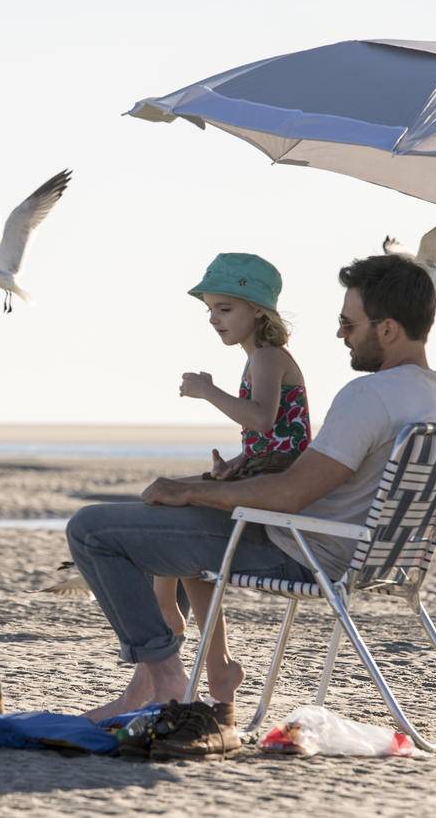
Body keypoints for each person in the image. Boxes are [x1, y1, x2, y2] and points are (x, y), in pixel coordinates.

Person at [66, 252, 436, 759]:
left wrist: (193, 489)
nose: (340, 334)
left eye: (347, 322)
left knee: (92, 529)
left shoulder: (371, 395)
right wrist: (219, 482)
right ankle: (208, 675)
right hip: (361, 553)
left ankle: (164, 681)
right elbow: (304, 476)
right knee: (184, 522)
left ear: (385, 330)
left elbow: (290, 493)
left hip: (303, 550)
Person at [152, 253, 312, 644]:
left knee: (163, 499)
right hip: (262, 471)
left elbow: (261, 419)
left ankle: (169, 612)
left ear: (257, 310)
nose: (213, 318)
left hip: (275, 484)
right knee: (167, 504)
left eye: (224, 308)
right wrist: (239, 462)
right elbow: (276, 432)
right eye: (210, 310)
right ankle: (205, 641)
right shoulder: (258, 360)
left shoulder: (269, 357)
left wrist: (208, 391)